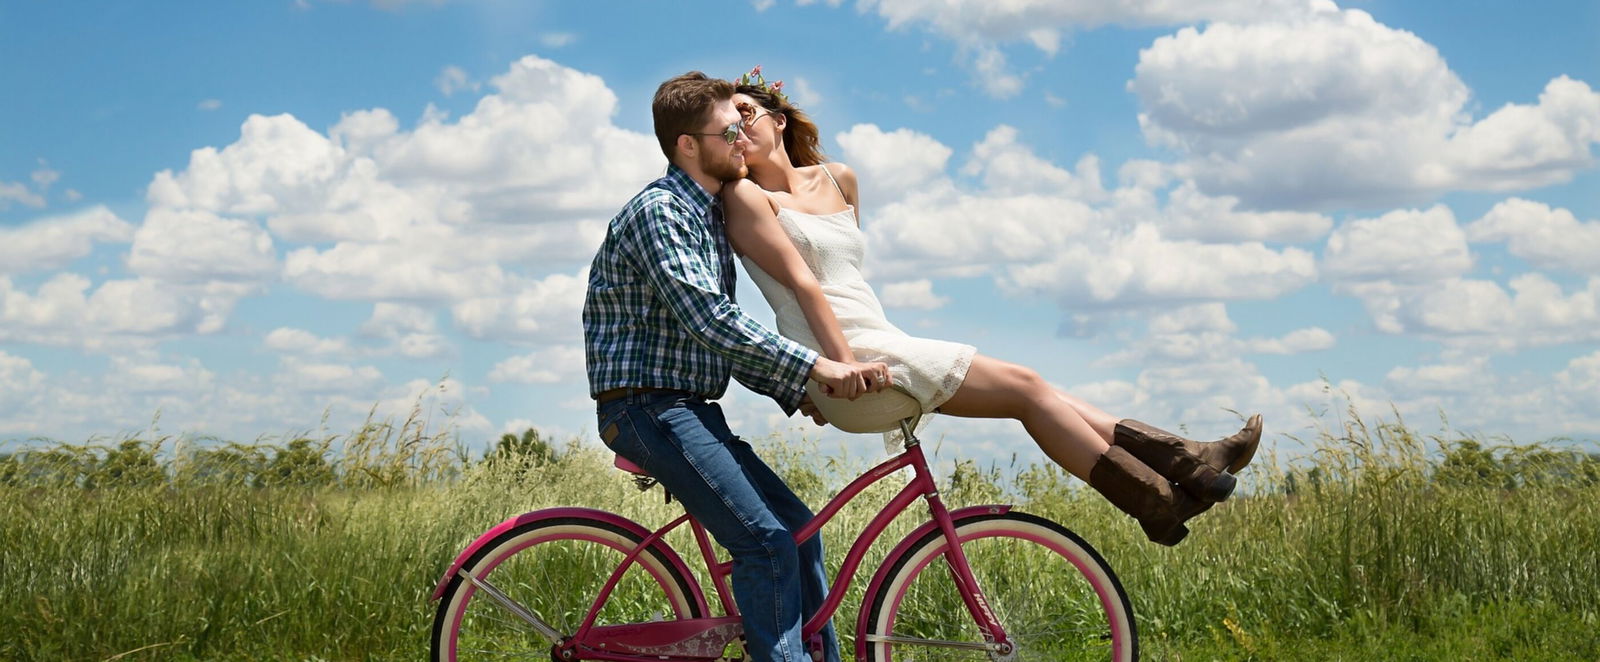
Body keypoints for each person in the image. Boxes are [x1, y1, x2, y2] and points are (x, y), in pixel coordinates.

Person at [720, 67, 1263, 546]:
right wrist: (835, 368)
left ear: (779, 119)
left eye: (745, 114)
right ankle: (1163, 492)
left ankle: (1185, 469)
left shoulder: (840, 179)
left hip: (876, 341)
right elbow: (806, 289)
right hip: (846, 359)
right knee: (1028, 389)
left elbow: (848, 281)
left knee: (1036, 390)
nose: (738, 129)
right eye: (726, 126)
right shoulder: (747, 198)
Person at [582, 71, 888, 662]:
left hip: (690, 408)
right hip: (646, 408)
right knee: (766, 544)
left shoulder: (708, 217)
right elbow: (713, 321)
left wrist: (795, 390)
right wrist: (816, 367)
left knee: (798, 531)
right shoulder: (662, 212)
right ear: (688, 145)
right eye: (728, 130)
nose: (741, 139)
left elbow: (721, 342)